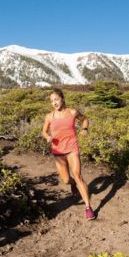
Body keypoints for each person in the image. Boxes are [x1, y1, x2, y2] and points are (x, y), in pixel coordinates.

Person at [41, 87, 96, 220]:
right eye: (52, 101)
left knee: (77, 176)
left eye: (56, 99)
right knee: (66, 180)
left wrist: (84, 128)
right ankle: (73, 185)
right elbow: (43, 131)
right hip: (58, 151)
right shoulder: (49, 116)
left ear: (62, 99)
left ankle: (88, 208)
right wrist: (47, 136)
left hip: (72, 148)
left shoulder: (72, 112)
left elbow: (84, 119)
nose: (54, 103)